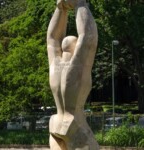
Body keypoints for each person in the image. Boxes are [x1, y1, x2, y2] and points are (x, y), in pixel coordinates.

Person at [47, 0, 99, 149]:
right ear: (76, 47)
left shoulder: (55, 65)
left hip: (56, 124)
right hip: (74, 125)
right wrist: (79, 4)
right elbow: (88, 36)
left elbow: (52, 39)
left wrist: (60, 8)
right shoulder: (76, 67)